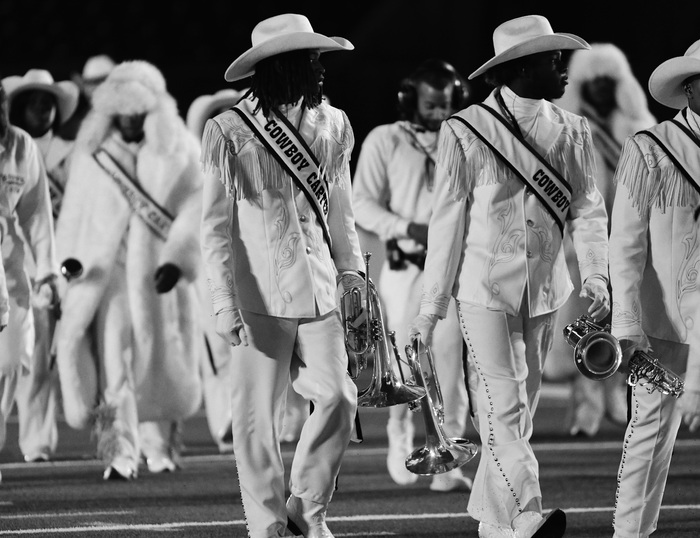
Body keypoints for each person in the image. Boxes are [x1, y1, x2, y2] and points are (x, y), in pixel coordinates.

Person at [408, 15, 610, 538]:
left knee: (518, 412)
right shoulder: (465, 130)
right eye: (550, 59)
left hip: (545, 290)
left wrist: (596, 275)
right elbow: (446, 226)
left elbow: (588, 211)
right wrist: (430, 310)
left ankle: (494, 526)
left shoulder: (573, 129)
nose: (564, 69)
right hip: (482, 290)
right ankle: (527, 514)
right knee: (505, 402)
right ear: (519, 69)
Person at [200, 13, 363, 538]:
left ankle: (306, 509)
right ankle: (266, 525)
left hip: (320, 288)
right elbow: (215, 230)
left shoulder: (334, 124)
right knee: (255, 420)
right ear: (282, 66)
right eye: (311, 60)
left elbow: (342, 212)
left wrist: (354, 276)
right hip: (256, 296)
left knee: (341, 395)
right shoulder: (229, 130)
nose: (321, 69)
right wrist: (223, 303)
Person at [54, 60, 204, 480]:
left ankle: (161, 447)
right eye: (123, 111)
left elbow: (196, 210)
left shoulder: (179, 151)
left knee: (159, 358)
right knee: (115, 360)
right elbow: (75, 216)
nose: (131, 119)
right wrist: (70, 261)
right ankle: (119, 452)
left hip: (160, 273)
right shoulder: (93, 155)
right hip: (111, 274)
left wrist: (179, 259)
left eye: (138, 111)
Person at [352, 58, 473, 492]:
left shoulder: (464, 139)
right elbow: (361, 201)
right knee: (405, 360)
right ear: (409, 101)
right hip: (406, 267)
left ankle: (449, 451)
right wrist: (407, 227)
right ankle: (401, 440)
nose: (439, 113)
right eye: (430, 104)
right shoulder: (385, 139)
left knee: (449, 361)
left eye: (445, 104)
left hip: (451, 269)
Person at [608, 39, 700, 538]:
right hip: (664, 326)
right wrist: (626, 323)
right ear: (688, 88)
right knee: (648, 438)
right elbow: (624, 244)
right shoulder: (651, 146)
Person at [549, 43, 658, 437]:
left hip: (628, 242)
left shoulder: (638, 126)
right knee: (585, 324)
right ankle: (585, 409)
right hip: (585, 243)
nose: (599, 90)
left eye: (606, 83)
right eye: (591, 83)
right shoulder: (566, 128)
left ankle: (615, 399)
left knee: (625, 325)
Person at [2, 68, 80, 463]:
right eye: (33, 102)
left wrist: (54, 267)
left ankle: (37, 443)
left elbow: (49, 215)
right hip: (15, 261)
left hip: (47, 266)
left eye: (48, 102)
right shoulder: (15, 148)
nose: (42, 109)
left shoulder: (70, 152)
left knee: (32, 359)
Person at [0, 79, 57, 483]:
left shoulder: (21, 146)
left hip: (11, 275)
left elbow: (37, 215)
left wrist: (47, 271)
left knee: (12, 361)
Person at [59, 54, 116, 141]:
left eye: (103, 81)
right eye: (92, 83)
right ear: (84, 87)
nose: (98, 88)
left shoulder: (131, 122)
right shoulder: (72, 130)